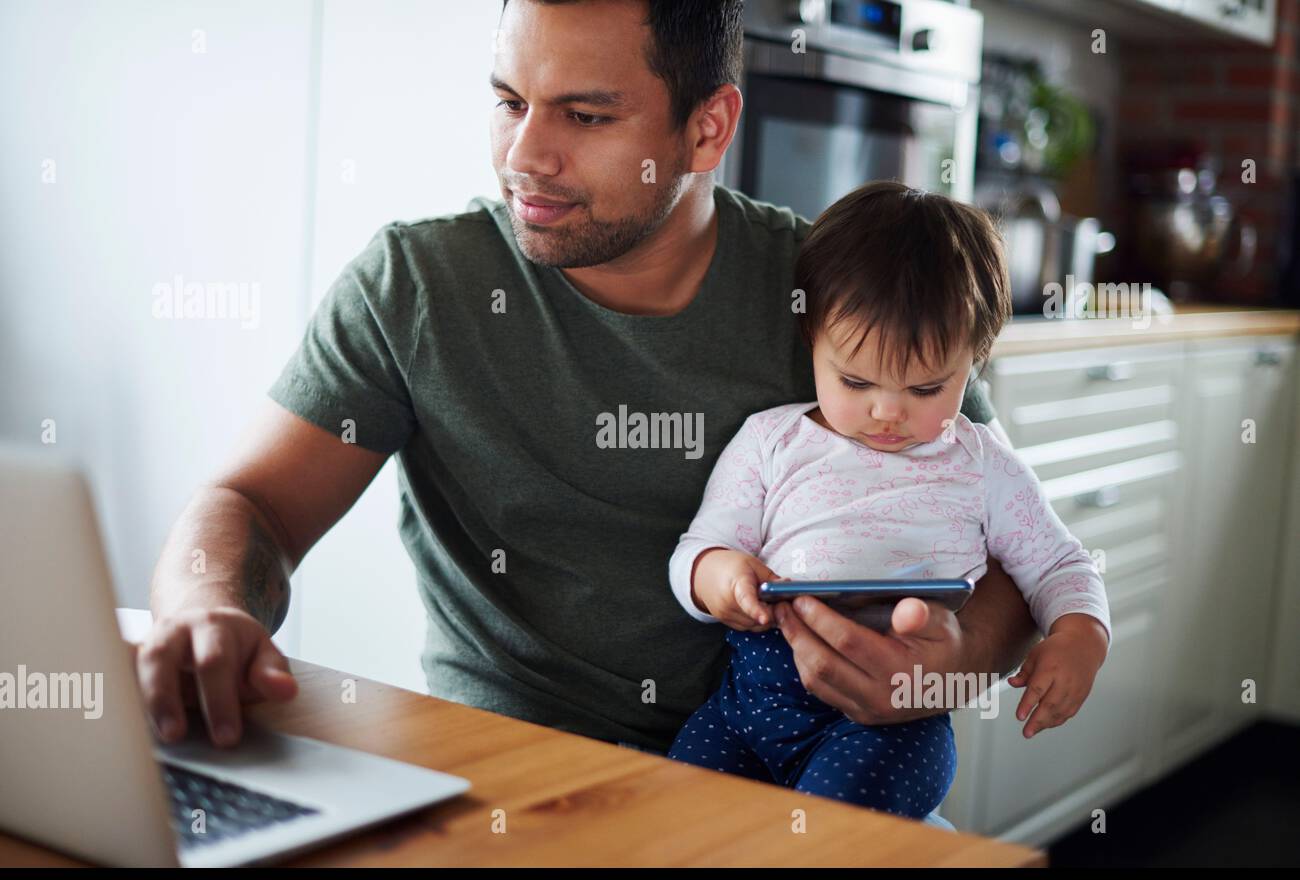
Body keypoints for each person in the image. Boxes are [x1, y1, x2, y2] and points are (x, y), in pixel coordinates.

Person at [135, 0, 1039, 756]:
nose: (526, 156)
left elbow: (1019, 563)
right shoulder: (417, 285)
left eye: (585, 116)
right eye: (508, 102)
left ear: (707, 127)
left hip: (779, 778)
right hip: (500, 781)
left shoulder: (836, 290)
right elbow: (252, 505)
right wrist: (205, 607)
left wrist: (945, 665)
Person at [664, 182, 1112, 818]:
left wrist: (1082, 635)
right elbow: (695, 551)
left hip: (891, 730)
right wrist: (720, 577)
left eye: (927, 387)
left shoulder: (983, 464)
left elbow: (1062, 565)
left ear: (973, 364)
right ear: (811, 334)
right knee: (675, 816)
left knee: (829, 838)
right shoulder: (769, 441)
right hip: (747, 710)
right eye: (855, 380)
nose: (886, 412)